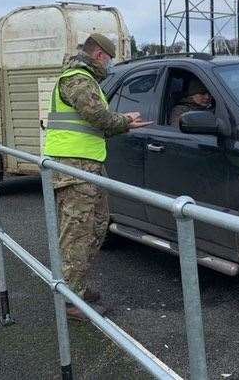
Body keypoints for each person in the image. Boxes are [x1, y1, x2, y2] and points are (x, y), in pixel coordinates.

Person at [43, 33, 151, 321]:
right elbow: (98, 117)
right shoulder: (77, 79)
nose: (110, 64)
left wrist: (119, 121)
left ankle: (77, 284)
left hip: (89, 165)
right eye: (109, 58)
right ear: (100, 54)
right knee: (77, 232)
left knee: (96, 226)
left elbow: (94, 119)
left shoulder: (86, 79)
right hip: (75, 168)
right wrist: (125, 122)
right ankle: (69, 297)